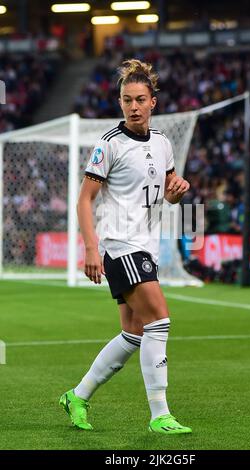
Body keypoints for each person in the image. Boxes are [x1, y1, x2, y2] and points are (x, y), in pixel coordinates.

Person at [59, 59, 192, 434]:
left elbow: (167, 193)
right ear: (120, 102)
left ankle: (78, 395)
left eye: (139, 99)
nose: (133, 106)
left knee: (134, 333)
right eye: (126, 99)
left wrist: (177, 192)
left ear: (153, 102)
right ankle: (160, 414)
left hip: (144, 246)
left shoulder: (163, 143)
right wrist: (90, 248)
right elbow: (85, 199)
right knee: (160, 321)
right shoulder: (109, 145)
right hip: (120, 245)